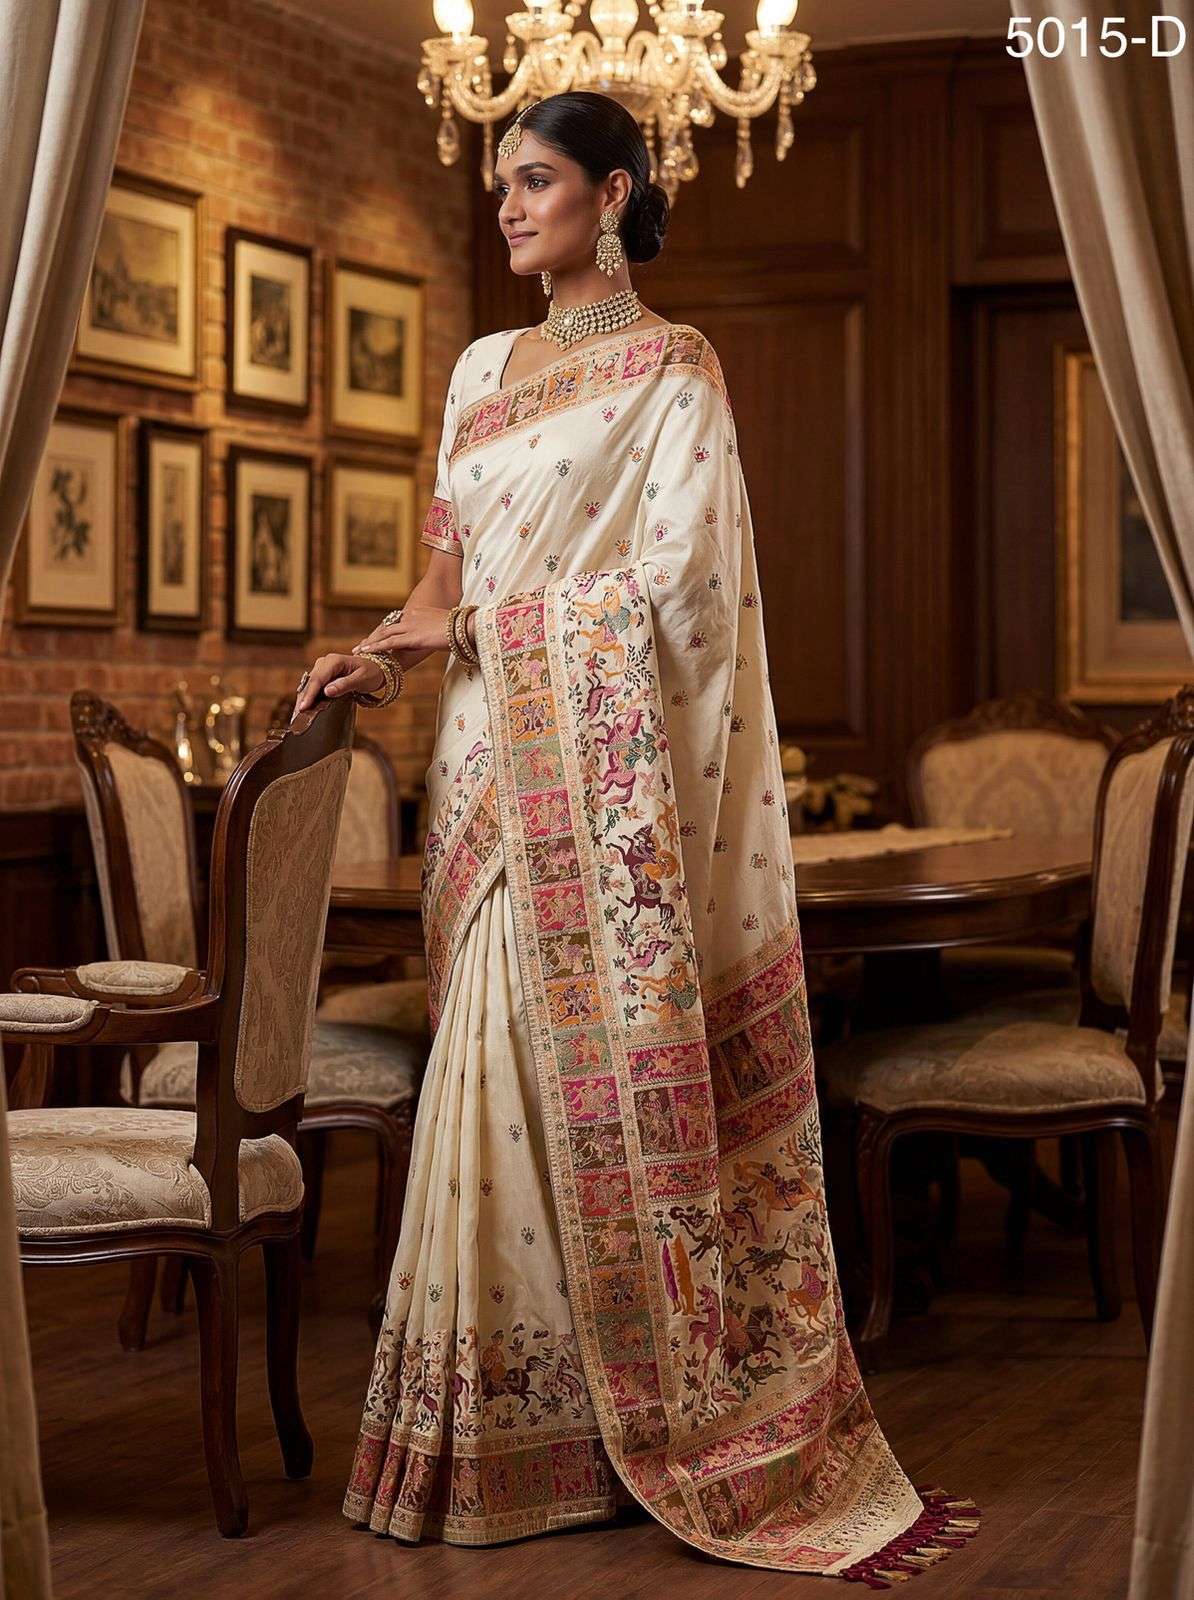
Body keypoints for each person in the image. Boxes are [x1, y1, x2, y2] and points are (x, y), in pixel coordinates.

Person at [295, 90, 978, 1583]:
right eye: (500, 181)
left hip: (592, 787)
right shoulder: (477, 370)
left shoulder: (675, 368)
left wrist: (488, 635)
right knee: (485, 1075)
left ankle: (612, 1430)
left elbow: (680, 593)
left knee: (550, 1071)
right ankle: (497, 1431)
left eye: (536, 179)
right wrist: (378, 658)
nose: (508, 203)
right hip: (483, 771)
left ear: (611, 195)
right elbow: (442, 594)